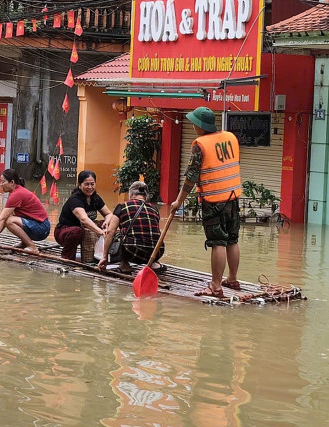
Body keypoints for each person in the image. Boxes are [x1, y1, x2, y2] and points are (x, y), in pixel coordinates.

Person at [170, 106, 242, 296]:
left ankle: (216, 286)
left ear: (200, 126)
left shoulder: (200, 144)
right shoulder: (230, 137)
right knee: (232, 240)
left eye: (194, 123)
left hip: (214, 200)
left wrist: (178, 202)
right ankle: (233, 279)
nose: (193, 126)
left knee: (218, 242)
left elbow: (191, 177)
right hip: (233, 197)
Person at [98, 181, 165, 275]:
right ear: (146, 195)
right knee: (150, 234)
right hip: (157, 252)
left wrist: (104, 257)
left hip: (132, 252)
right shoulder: (154, 209)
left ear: (131, 194)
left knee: (118, 234)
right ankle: (153, 263)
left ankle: (124, 264)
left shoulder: (122, 207)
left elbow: (110, 231)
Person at [0, 169, 50, 256]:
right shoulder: (16, 192)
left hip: (41, 228)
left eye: (3, 182)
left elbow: (2, 219)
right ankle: (24, 243)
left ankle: (32, 247)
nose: (1, 184)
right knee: (9, 218)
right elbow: (2, 221)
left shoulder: (17, 194)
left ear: (12, 182)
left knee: (10, 221)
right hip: (40, 226)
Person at [54, 170, 113, 261]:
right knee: (77, 231)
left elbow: (109, 214)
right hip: (64, 231)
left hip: (84, 232)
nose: (90, 187)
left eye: (92, 184)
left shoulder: (95, 198)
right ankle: (67, 257)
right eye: (86, 184)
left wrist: (106, 222)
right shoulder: (75, 199)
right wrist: (100, 231)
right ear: (79, 185)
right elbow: (84, 219)